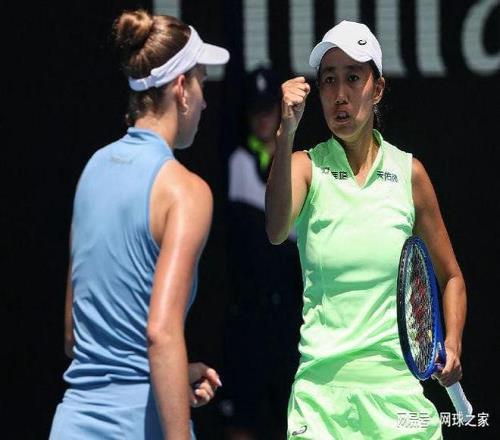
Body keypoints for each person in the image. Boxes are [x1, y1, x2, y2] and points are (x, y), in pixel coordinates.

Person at [265, 20, 467, 439]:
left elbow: (451, 278)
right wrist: (286, 133)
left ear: (377, 89)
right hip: (321, 403)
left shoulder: (409, 174)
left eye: (353, 78)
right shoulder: (304, 167)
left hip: (399, 400)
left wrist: (452, 344)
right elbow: (276, 229)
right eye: (329, 80)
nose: (340, 94)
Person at [49, 10, 229, 440]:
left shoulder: (93, 169)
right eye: (201, 83)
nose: (205, 101)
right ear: (181, 89)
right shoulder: (186, 192)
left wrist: (173, 377)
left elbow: (75, 336)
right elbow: (161, 334)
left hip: (71, 425)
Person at [221, 67, 302, 439]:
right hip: (248, 319)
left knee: (296, 419)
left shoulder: (300, 168)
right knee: (243, 419)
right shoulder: (235, 163)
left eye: (269, 110)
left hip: (291, 319)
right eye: (256, 111)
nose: (263, 119)